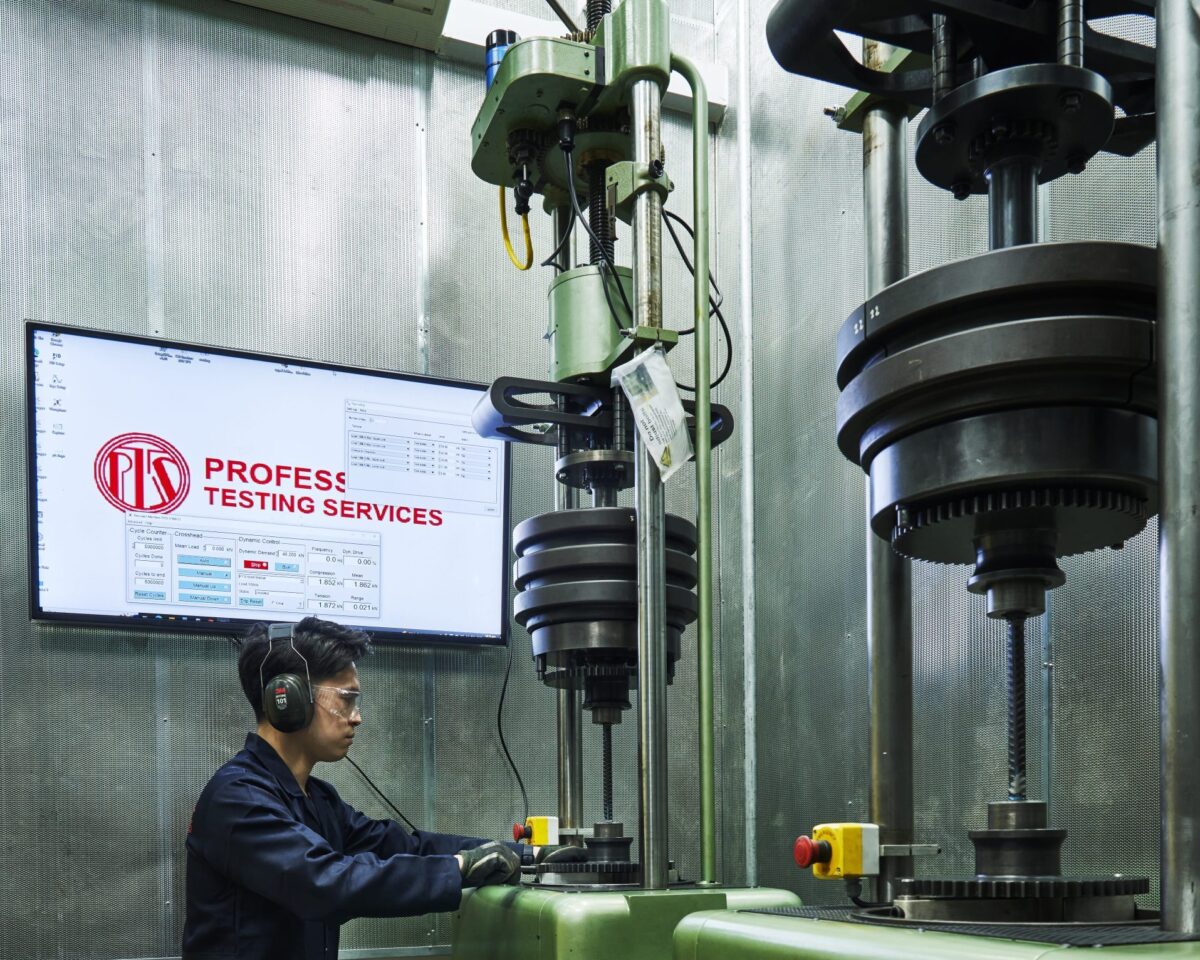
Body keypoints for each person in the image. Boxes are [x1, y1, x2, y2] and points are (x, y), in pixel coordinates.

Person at [183, 617, 581, 960]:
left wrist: (526, 855)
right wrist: (461, 867)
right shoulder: (238, 798)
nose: (357, 717)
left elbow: (401, 846)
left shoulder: (316, 799)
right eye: (346, 699)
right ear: (288, 699)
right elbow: (327, 882)